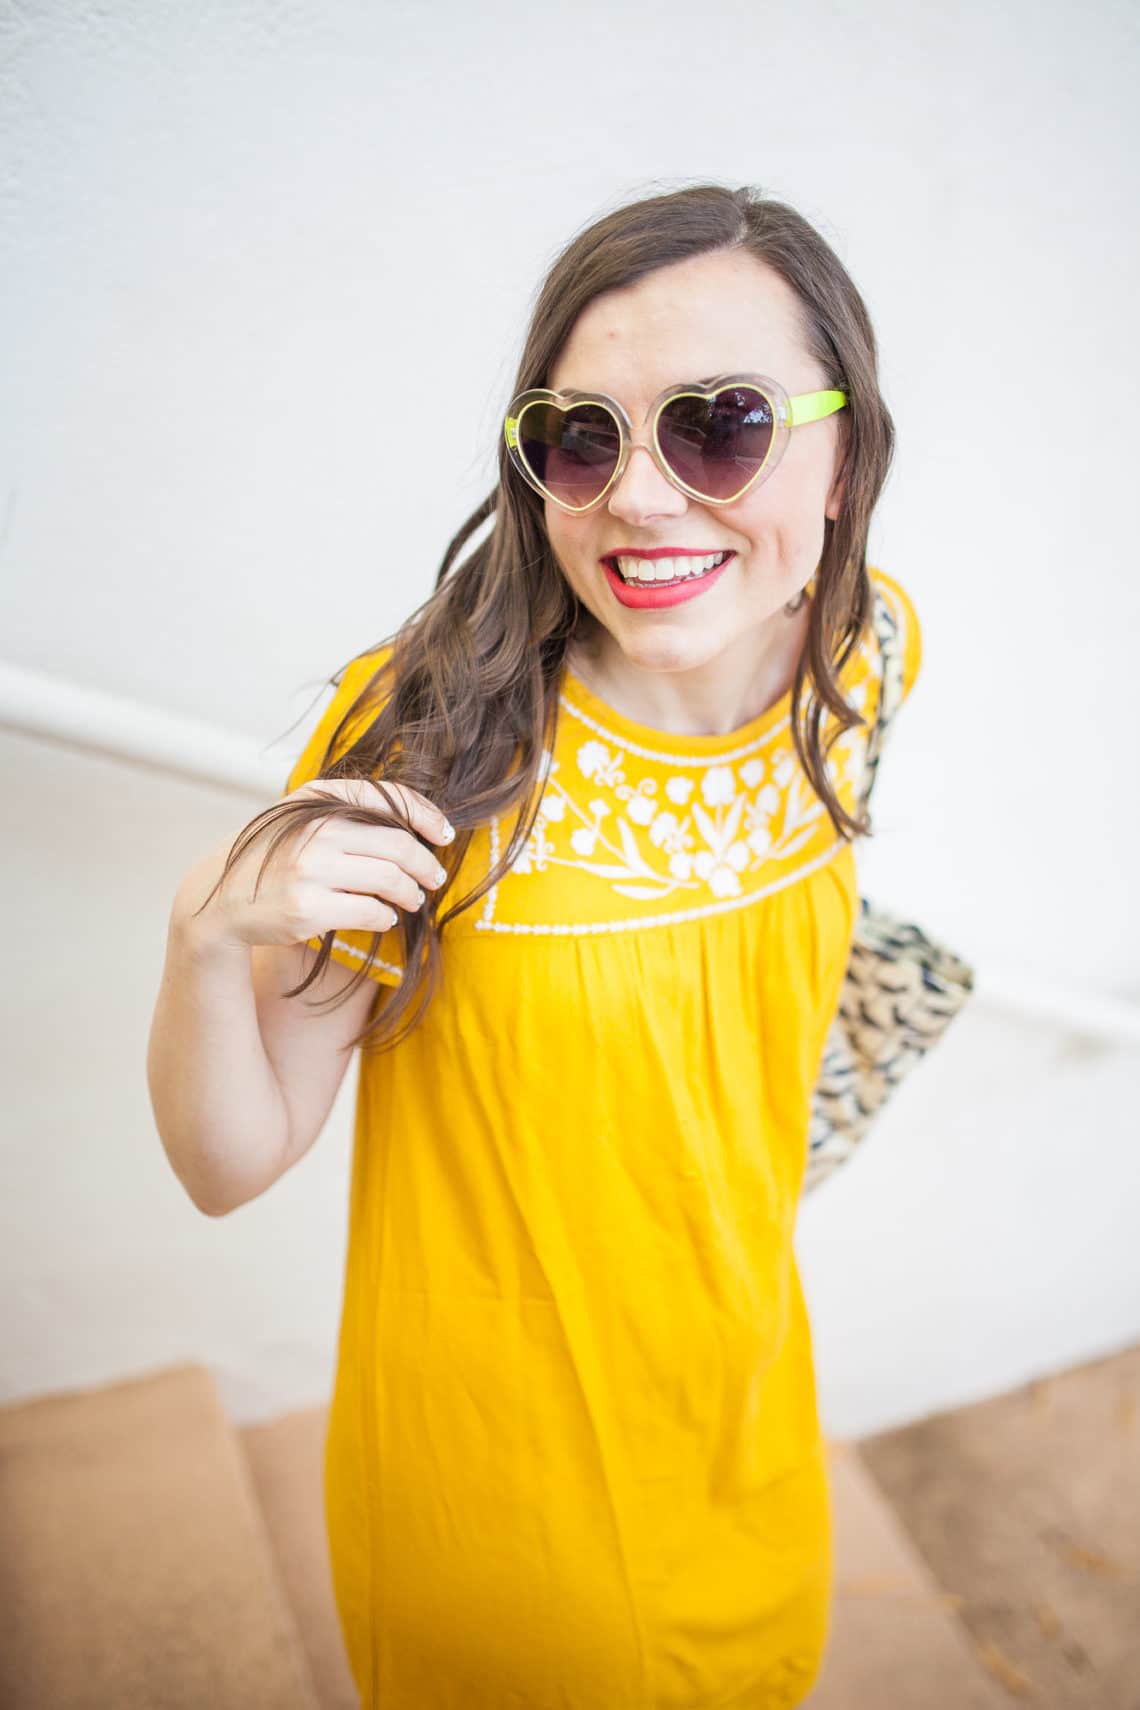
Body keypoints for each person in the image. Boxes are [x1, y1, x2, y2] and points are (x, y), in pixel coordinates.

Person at [148, 182, 922, 1709]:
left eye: (720, 427)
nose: (638, 498)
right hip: (502, 1516)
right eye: (583, 437)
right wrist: (198, 940)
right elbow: (232, 1158)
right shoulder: (433, 741)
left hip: (745, 1413)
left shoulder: (867, 651)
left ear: (844, 455)